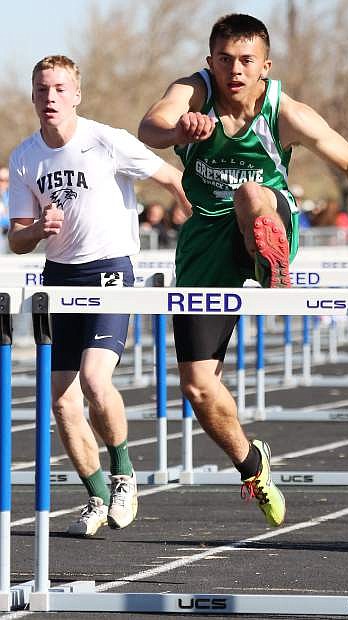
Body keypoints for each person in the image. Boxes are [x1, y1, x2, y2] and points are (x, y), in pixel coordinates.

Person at [138, 14, 348, 528]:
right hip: (206, 235)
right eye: (225, 60)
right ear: (210, 62)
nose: (235, 70)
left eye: (246, 61)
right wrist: (178, 128)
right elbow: (150, 126)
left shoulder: (285, 112)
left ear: (265, 66)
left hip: (267, 217)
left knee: (250, 193)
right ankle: (252, 464)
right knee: (198, 387)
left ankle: (270, 263)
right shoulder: (192, 92)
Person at [8, 55, 191, 537]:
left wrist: (197, 218)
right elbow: (16, 238)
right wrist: (36, 232)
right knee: (62, 401)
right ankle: (96, 494)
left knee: (94, 379)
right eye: (43, 89)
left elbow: (169, 176)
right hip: (59, 275)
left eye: (61, 88)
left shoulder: (105, 140)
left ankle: (124, 474)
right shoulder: (25, 157)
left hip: (111, 270)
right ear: (33, 95)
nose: (51, 97)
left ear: (76, 95)